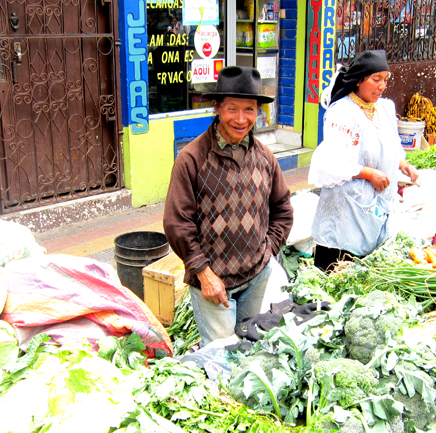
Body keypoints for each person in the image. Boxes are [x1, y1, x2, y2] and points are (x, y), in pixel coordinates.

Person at [163, 66, 294, 347]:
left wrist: (268, 249)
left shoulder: (265, 158)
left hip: (256, 276)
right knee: (222, 356)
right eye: (232, 109)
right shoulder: (192, 159)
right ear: (217, 108)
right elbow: (178, 224)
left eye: (249, 109)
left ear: (258, 111)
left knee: (248, 344)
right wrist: (204, 273)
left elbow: (282, 207)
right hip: (212, 284)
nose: (240, 118)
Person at [308, 50, 419, 272]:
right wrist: (368, 173)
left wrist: (402, 163)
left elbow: (391, 143)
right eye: (375, 79)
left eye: (385, 80)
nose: (381, 86)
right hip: (346, 209)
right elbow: (332, 161)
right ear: (359, 80)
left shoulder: (385, 108)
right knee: (337, 276)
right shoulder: (342, 113)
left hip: (373, 207)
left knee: (363, 276)